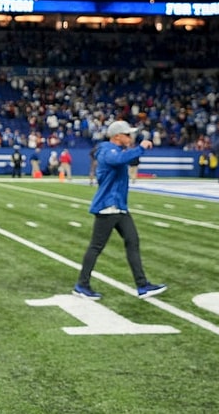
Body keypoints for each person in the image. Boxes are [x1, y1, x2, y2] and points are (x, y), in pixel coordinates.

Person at [73, 120, 167, 300]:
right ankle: (82, 285)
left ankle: (142, 285)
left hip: (119, 207)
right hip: (108, 207)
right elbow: (118, 160)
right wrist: (140, 148)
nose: (130, 137)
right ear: (117, 136)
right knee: (96, 247)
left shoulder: (115, 150)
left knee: (133, 241)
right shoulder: (107, 151)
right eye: (127, 134)